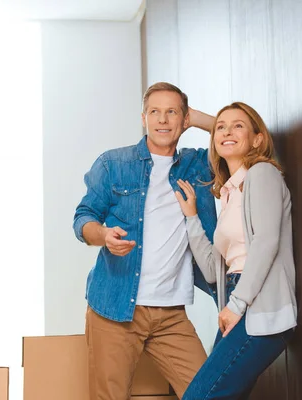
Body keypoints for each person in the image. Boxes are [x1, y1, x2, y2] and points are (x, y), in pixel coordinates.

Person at [73, 82, 217, 399]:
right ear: (143, 118)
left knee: (209, 393)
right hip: (115, 308)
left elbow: (246, 138)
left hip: (171, 314)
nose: (162, 120)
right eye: (155, 112)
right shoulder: (113, 165)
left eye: (172, 112)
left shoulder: (197, 165)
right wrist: (103, 236)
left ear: (184, 120)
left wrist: (199, 118)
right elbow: (83, 218)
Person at [175, 102, 297, 400]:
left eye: (238, 125)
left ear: (257, 139)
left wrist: (237, 304)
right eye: (220, 127)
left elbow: (266, 242)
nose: (227, 131)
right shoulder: (229, 193)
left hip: (257, 305)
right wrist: (191, 218)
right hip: (237, 299)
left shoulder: (262, 173)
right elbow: (211, 270)